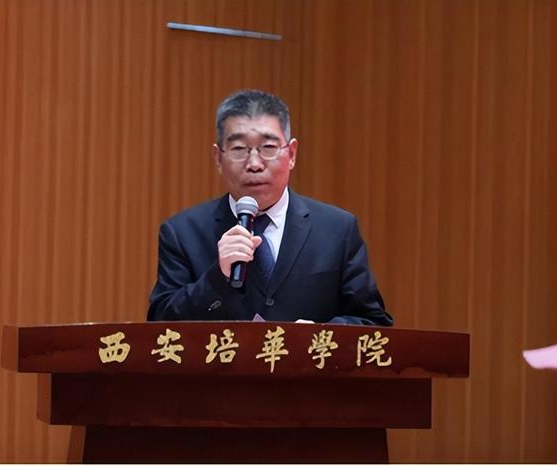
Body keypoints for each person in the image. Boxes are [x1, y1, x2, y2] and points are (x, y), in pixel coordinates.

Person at [147, 89, 392, 326]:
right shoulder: (182, 233)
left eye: (268, 148)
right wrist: (217, 278)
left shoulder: (337, 229)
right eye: (239, 149)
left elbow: (372, 321)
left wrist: (318, 336)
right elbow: (160, 325)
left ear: (292, 154)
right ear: (218, 158)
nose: (254, 164)